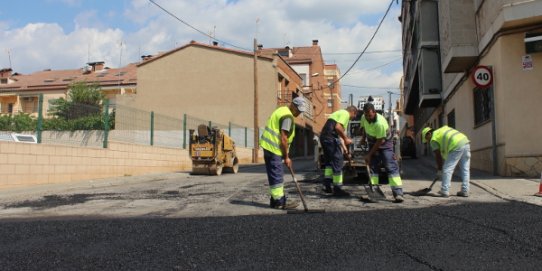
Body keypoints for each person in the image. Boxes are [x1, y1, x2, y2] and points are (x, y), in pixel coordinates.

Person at [260, 96, 306, 209]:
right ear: (293, 105)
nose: (299, 113)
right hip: (274, 148)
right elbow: (284, 138)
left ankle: (275, 200)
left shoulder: (281, 110)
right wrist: (286, 157)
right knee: (277, 175)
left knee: (274, 174)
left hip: (269, 147)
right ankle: (279, 203)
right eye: (298, 110)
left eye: (301, 111)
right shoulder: (287, 117)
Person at [361, 103, 404, 203]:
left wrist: (369, 154)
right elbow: (363, 128)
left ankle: (398, 193)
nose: (368, 118)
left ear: (374, 113)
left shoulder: (380, 123)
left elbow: (380, 141)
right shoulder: (364, 117)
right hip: (372, 141)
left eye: (370, 116)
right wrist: (363, 138)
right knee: (372, 166)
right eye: (366, 115)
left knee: (390, 165)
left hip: (384, 143)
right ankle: (374, 191)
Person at [319, 106, 358, 196]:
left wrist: (344, 149)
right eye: (354, 115)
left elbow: (338, 136)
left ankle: (327, 186)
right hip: (330, 138)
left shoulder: (338, 113)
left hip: (325, 138)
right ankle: (337, 189)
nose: (353, 118)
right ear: (353, 112)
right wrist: (346, 138)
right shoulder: (345, 114)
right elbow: (338, 128)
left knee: (329, 163)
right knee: (338, 162)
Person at [422, 126, 471, 197]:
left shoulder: (433, 139)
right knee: (465, 169)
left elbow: (438, 156)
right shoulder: (442, 130)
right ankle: (465, 190)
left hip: (456, 145)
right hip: (465, 142)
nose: (428, 141)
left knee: (447, 169)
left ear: (429, 133)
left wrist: (439, 169)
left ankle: (444, 190)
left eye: (427, 139)